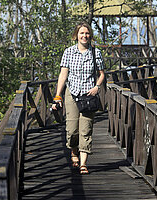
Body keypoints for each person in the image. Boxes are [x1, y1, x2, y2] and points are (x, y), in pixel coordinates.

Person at [52, 21, 105, 174]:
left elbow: (101, 74)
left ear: (90, 36)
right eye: (81, 33)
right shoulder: (68, 52)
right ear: (76, 35)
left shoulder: (96, 53)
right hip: (72, 94)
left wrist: (97, 86)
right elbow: (63, 74)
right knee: (72, 130)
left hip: (89, 95)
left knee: (86, 130)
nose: (84, 36)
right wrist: (58, 95)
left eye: (87, 33)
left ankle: (83, 164)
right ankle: (73, 151)